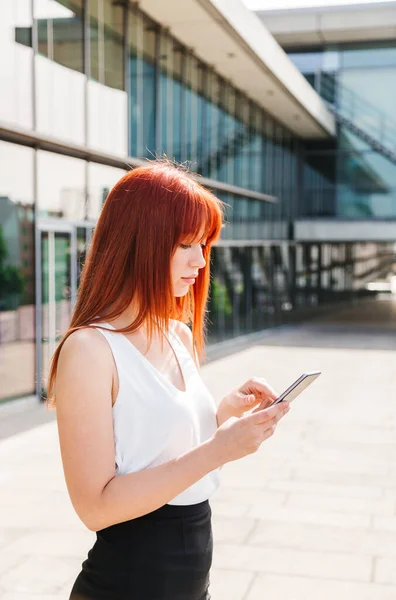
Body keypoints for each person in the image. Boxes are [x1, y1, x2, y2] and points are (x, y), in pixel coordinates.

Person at [48, 161, 290, 600]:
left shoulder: (175, 333)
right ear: (141, 242)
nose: (201, 261)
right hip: (129, 582)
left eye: (204, 244)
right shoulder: (89, 350)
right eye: (186, 244)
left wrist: (223, 416)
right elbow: (95, 506)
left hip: (193, 577)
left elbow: (160, 453)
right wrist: (219, 449)